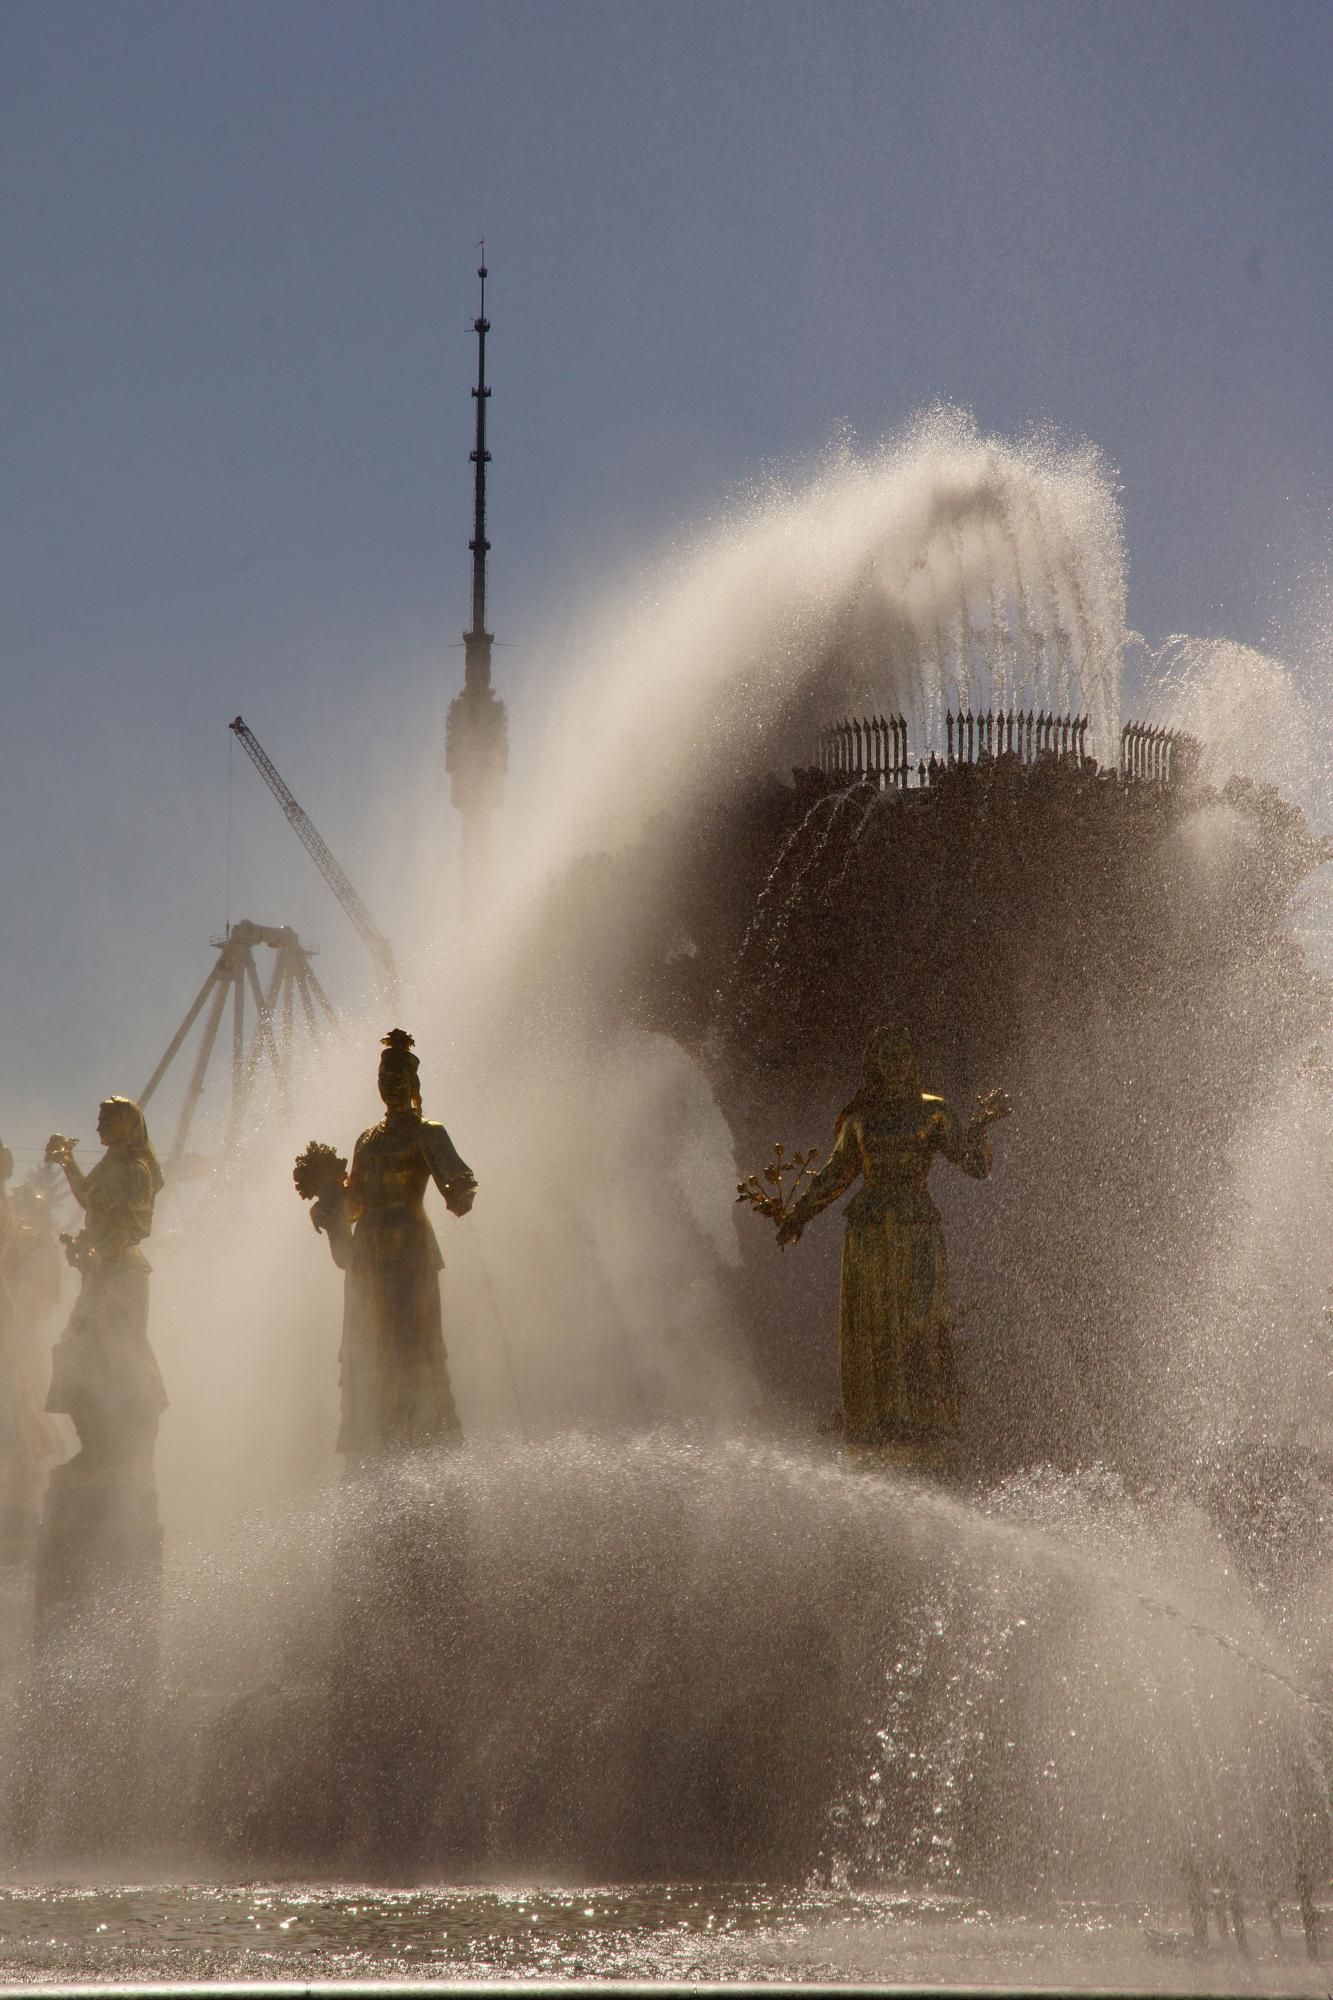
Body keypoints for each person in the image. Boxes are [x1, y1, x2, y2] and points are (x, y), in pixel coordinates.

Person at [776, 1026, 1009, 1457]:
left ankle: (926, 1416)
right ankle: (877, 1418)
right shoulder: (860, 1119)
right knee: (874, 1318)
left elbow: (974, 1165)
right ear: (875, 1064)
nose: (897, 1062)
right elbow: (835, 1174)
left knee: (920, 1316)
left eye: (904, 1053)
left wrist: (982, 1127)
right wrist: (799, 1216)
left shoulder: (934, 1112)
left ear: (912, 1059)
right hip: (868, 1229)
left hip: (917, 1225)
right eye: (888, 1055)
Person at [299, 1029, 477, 1461]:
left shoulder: (428, 1133)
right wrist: (330, 1205)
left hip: (411, 1246)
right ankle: (374, 1431)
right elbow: (357, 1202)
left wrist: (459, 1193)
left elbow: (459, 1176)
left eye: (399, 1077)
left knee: (412, 1340)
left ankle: (425, 1430)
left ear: (414, 1085)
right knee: (370, 1340)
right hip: (370, 1250)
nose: (391, 1084)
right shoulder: (366, 1139)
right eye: (384, 1077)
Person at [43, 1098, 167, 1469]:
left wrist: (99, 1252)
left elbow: (133, 1225)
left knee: (119, 1352)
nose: (97, 1128)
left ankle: (132, 1435)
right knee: (74, 1349)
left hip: (124, 1272)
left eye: (104, 1121)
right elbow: (87, 1199)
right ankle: (95, 1446)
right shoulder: (110, 1164)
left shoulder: (136, 1169)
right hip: (101, 1272)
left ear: (126, 1125)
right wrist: (67, 1161)